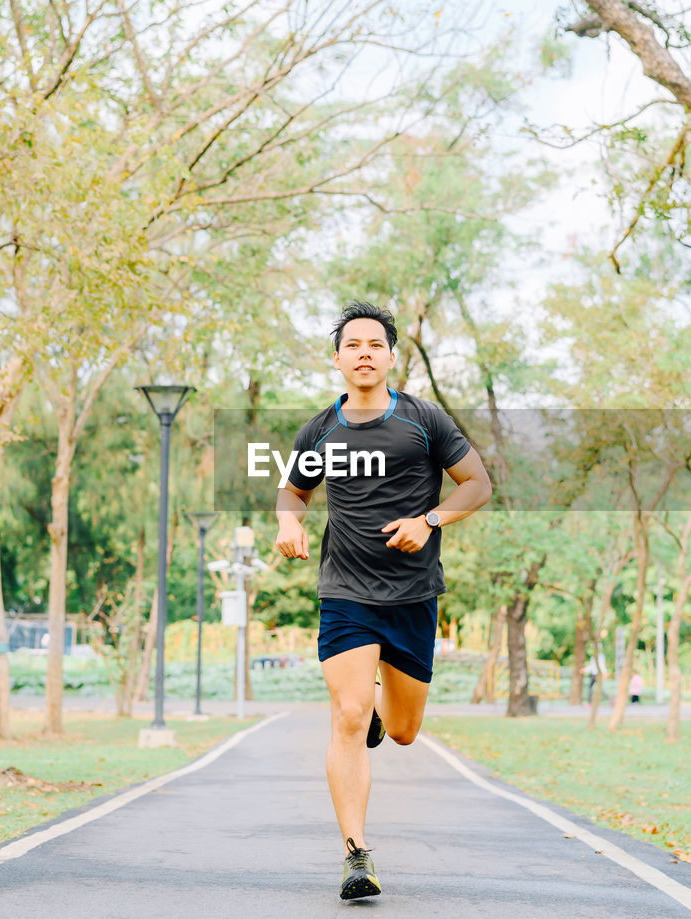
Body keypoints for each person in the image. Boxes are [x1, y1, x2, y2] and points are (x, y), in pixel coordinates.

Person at [274, 300, 492, 901]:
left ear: (392, 356)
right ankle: (355, 855)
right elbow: (292, 493)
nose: (364, 353)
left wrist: (431, 518)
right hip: (345, 592)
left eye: (376, 344)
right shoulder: (321, 430)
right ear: (338, 358)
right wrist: (288, 524)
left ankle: (378, 714)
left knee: (401, 731)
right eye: (353, 345)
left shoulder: (426, 420)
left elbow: (478, 483)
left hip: (412, 595)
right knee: (346, 717)